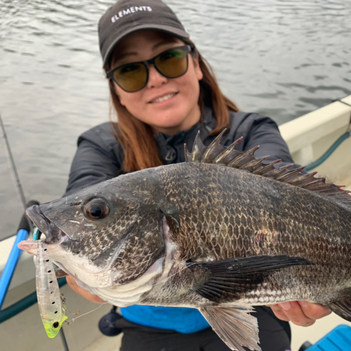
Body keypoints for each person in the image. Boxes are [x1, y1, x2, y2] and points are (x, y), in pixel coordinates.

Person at [64, 0, 331, 350]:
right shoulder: (100, 146)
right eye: (130, 71)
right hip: (148, 321)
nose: (156, 79)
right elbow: (81, 207)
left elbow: (286, 195)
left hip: (256, 302)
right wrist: (82, 272)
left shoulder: (252, 131)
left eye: (169, 58)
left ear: (197, 64)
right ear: (117, 91)